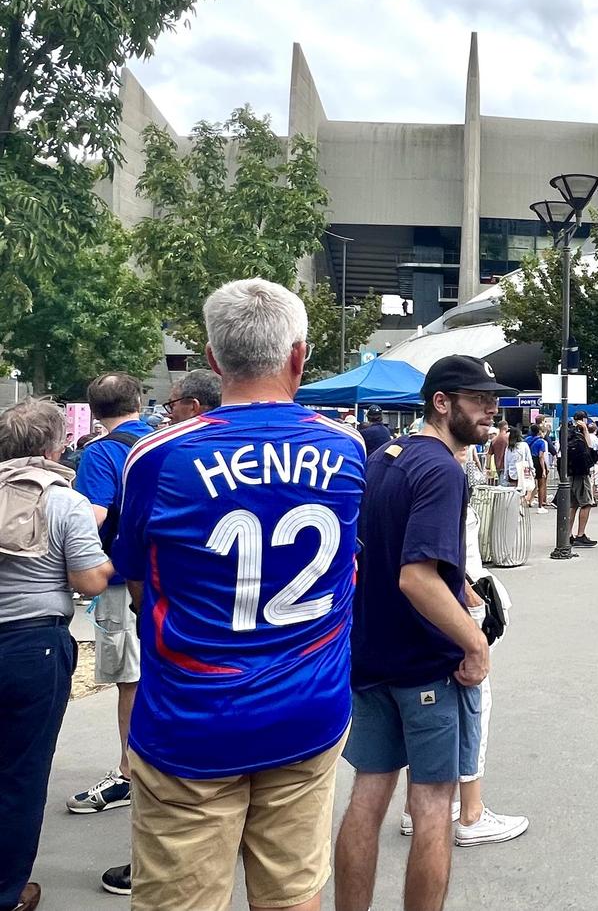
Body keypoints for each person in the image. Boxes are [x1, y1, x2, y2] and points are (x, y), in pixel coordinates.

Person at [110, 278, 367, 911]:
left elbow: (139, 575)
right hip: (308, 708)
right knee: (295, 893)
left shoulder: (157, 456)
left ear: (214, 358)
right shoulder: (347, 447)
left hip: (191, 722)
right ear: (299, 356)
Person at [335, 355, 515, 911]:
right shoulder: (442, 467)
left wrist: (455, 583)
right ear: (442, 402)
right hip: (425, 664)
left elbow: (388, 553)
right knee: (434, 805)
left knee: (368, 793)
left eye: (494, 398)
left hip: (371, 654)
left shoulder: (384, 457)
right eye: (478, 398)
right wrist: (475, 643)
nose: (492, 409)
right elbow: (415, 577)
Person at [97, 365, 223, 897]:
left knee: (180, 840)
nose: (166, 411)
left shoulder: (151, 455)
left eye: (172, 402)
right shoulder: (330, 446)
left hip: (186, 669)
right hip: (288, 683)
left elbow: (130, 566)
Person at [0, 400, 114, 911]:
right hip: (33, 645)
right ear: (55, 445)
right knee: (20, 774)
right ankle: (7, 890)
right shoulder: (64, 501)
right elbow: (87, 579)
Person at [399, 447, 528, 848]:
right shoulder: (445, 473)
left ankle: (416, 807)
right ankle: (471, 812)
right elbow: (442, 559)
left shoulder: (400, 464)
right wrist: (469, 598)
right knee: (473, 703)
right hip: (452, 605)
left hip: (421, 612)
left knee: (429, 708)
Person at [64, 373, 152, 819]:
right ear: (139, 400)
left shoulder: (100, 453)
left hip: (120, 581)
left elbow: (93, 516)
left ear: (93, 410)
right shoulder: (162, 441)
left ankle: (129, 773)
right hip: (171, 578)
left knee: (130, 679)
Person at [566, 412, 598, 548]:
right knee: (586, 503)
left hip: (570, 473)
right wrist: (585, 431)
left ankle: (567, 535)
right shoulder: (581, 437)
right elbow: (590, 454)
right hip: (582, 474)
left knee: (572, 505)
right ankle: (581, 535)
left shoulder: (568, 434)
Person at [505, 426, 535, 506]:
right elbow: (529, 459)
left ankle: (514, 507)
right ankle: (520, 507)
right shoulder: (524, 445)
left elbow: (506, 462)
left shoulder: (509, 447)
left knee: (513, 493)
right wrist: (532, 470)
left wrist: (505, 474)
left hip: (512, 473)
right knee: (524, 491)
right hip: (523, 472)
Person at [488, 417, 509, 484]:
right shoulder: (508, 438)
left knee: (500, 482)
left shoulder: (494, 440)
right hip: (507, 465)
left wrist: (488, 467)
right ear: (505, 427)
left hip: (497, 465)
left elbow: (489, 454)